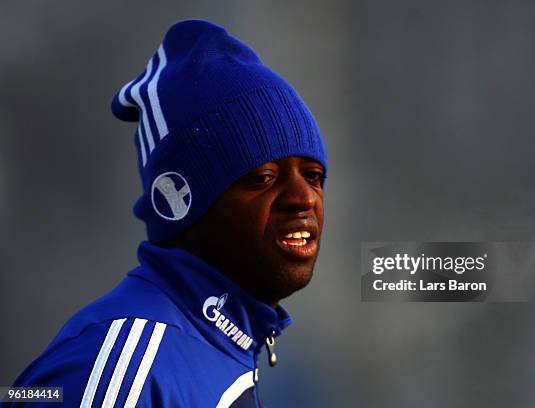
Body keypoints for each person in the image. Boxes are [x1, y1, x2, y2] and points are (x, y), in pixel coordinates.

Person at [10, 19, 327, 407]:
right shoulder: (118, 373)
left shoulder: (222, 345)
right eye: (262, 177)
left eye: (313, 175)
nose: (303, 198)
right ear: (180, 203)